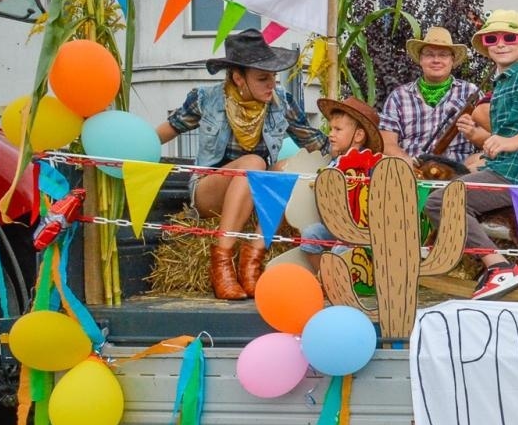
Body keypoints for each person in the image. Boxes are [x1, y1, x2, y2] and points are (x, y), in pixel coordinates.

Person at [155, 29, 328, 301]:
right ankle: (222, 263)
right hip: (210, 193)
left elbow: (315, 142)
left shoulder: (282, 102)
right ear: (238, 78)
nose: (271, 84)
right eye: (262, 78)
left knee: (288, 169)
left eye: (273, 76)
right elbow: (163, 134)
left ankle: (253, 257)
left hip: (255, 197)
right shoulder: (206, 99)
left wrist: (358, 150)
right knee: (254, 162)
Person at [434, 9, 518, 300]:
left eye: (510, 37)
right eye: (493, 38)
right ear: (487, 46)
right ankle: (504, 265)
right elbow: (508, 133)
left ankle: (497, 266)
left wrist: (511, 142)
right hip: (505, 167)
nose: (501, 43)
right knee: (443, 197)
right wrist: (486, 139)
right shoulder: (503, 82)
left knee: (441, 201)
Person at [299, 95, 383, 271]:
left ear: (359, 135)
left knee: (340, 249)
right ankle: (324, 277)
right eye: (331, 129)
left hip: (362, 228)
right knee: (309, 236)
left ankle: (337, 280)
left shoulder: (369, 165)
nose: (331, 134)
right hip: (335, 223)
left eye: (337, 129)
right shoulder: (334, 162)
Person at [378, 26, 479, 165]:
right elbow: (387, 143)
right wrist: (409, 164)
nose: (436, 60)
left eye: (443, 55)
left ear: (452, 60)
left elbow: (491, 136)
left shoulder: (471, 92)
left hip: (458, 173)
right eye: (429, 54)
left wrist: (473, 133)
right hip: (411, 172)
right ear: (421, 59)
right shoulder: (399, 96)